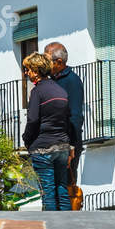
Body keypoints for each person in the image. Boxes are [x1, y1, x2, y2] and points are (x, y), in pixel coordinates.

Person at [21, 51, 77, 211]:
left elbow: (32, 120)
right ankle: (67, 228)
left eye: (28, 69)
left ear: (36, 71)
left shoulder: (37, 92)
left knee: (48, 193)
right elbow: (68, 120)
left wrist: (27, 141)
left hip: (43, 148)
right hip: (62, 148)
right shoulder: (60, 91)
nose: (26, 73)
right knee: (62, 190)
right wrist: (69, 145)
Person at [44, 43, 85, 185]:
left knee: (64, 190)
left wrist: (70, 148)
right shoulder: (51, 81)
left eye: (47, 60)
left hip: (66, 146)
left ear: (59, 62)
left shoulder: (72, 81)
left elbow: (75, 117)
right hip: (52, 145)